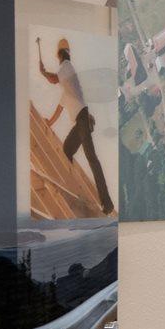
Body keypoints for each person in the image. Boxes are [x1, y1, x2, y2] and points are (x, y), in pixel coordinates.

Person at [36, 38, 112, 215]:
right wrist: (50, 123)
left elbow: (53, 79)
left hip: (83, 119)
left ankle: (107, 203)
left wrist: (43, 72)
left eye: (58, 56)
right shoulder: (68, 85)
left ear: (60, 55)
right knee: (67, 150)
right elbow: (60, 108)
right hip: (82, 121)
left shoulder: (67, 67)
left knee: (91, 158)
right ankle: (74, 188)